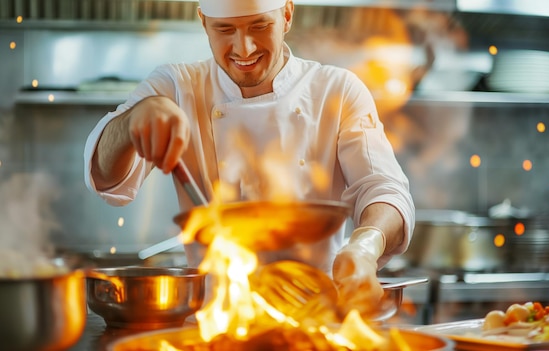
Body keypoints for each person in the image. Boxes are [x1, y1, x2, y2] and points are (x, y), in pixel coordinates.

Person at [84, 0, 415, 316]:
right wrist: (133, 121)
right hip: (216, 322)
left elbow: (385, 190)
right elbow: (104, 176)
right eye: (225, 30)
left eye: (259, 26)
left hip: (318, 320)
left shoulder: (337, 90)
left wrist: (366, 245)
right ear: (203, 22)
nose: (244, 48)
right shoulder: (177, 86)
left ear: (286, 15)